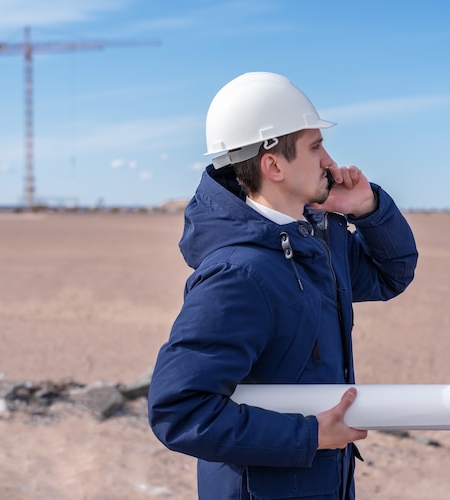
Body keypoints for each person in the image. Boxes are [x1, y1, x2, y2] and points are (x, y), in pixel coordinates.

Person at [148, 72, 418, 499]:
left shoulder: (316, 243)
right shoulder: (238, 274)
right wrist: (307, 436)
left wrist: (367, 209)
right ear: (273, 165)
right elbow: (179, 410)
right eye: (315, 147)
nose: (330, 161)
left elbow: (391, 275)